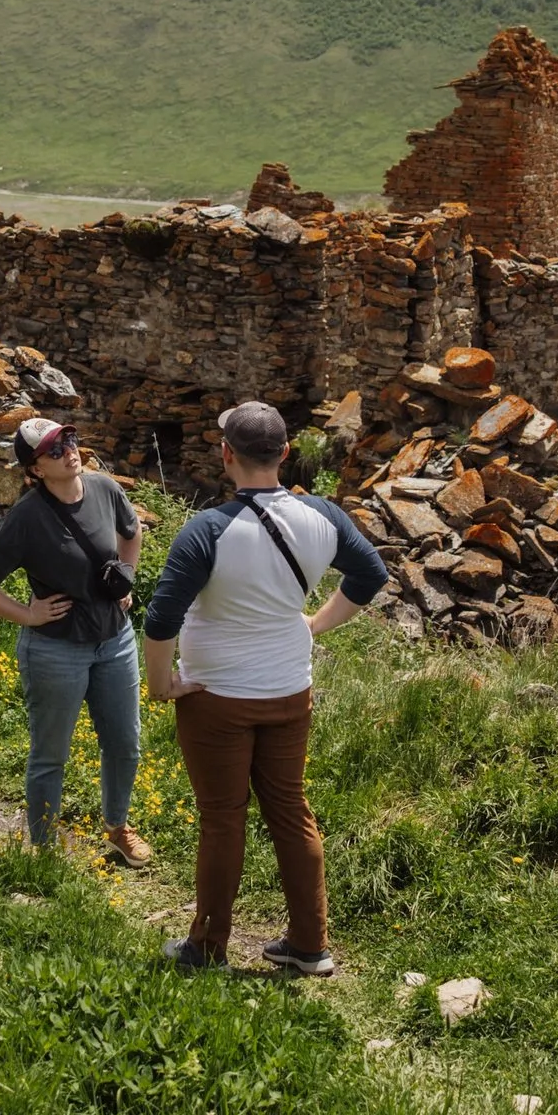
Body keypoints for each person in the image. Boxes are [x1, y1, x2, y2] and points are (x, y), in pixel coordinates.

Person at [142, 401, 388, 974]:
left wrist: (159, 683)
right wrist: (316, 623)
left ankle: (206, 948)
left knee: (223, 817)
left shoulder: (207, 529)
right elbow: (370, 574)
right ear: (284, 454)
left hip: (215, 696)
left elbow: (161, 620)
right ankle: (309, 945)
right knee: (290, 810)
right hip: (288, 690)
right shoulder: (322, 515)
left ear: (225, 454)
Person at [0, 416, 154, 866]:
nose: (68, 449)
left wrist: (125, 580)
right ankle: (44, 848)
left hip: (115, 641)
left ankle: (118, 828)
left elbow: (132, 531)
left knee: (124, 742)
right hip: (55, 649)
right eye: (53, 449)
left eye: (69, 439)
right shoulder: (27, 517)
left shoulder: (104, 488)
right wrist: (28, 614)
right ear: (36, 470)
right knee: (51, 754)